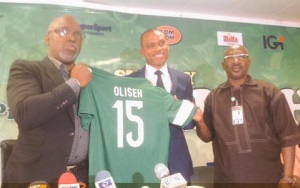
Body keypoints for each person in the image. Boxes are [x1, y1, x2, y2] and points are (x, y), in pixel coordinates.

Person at [3, 15, 92, 187]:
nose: (72, 37)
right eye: (63, 31)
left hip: (81, 179)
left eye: (77, 34)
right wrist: (74, 84)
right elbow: (24, 113)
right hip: (35, 178)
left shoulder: (90, 79)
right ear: (47, 38)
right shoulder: (26, 68)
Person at [195, 44, 300, 187]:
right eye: (230, 58)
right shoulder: (213, 98)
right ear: (223, 64)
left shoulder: (269, 92)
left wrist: (287, 177)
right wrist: (200, 122)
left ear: (249, 62)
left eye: (241, 56)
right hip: (226, 181)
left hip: (269, 180)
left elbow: (288, 136)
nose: (236, 61)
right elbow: (207, 137)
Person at [128, 28, 195, 183]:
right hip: (144, 159)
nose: (158, 48)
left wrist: (181, 111)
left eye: (162, 43)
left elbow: (189, 124)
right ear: (142, 51)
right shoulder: (130, 81)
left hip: (178, 160)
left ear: (168, 46)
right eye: (151, 45)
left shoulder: (184, 79)